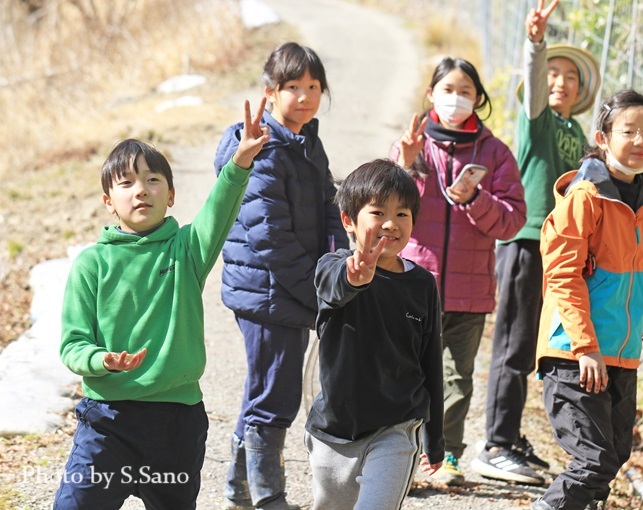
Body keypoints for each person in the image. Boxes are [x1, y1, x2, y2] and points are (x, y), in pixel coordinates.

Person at [54, 99, 270, 509]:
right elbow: (72, 345)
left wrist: (240, 162)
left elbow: (218, 211)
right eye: (126, 183)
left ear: (171, 195)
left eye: (153, 180)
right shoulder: (91, 264)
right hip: (108, 421)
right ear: (107, 201)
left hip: (177, 421)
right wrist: (103, 361)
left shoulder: (186, 250)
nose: (141, 190)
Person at [214, 42, 348, 510]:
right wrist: (317, 294)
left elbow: (332, 208)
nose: (306, 97)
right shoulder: (261, 149)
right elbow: (272, 240)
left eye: (314, 87)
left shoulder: (307, 139)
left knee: (263, 391)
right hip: (268, 292)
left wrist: (340, 264)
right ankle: (269, 498)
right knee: (275, 395)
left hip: (289, 289)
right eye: (294, 87)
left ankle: (239, 491)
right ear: (270, 92)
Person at [474, 0, 602, 485]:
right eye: (552, 74)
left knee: (538, 344)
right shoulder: (537, 121)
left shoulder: (575, 132)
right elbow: (533, 86)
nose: (560, 82)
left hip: (562, 248)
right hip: (528, 240)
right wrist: (535, 44)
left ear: (581, 89)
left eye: (570, 77)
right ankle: (496, 444)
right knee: (513, 341)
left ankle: (511, 437)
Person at [390, 57, 526, 486]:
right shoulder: (414, 144)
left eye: (465, 91)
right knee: (405, 371)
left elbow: (511, 220)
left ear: (478, 99)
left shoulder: (495, 153)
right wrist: (407, 164)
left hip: (471, 290)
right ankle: (400, 459)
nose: (456, 98)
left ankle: (445, 458)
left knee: (456, 378)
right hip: (414, 285)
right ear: (430, 94)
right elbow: (387, 213)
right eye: (447, 89)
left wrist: (473, 198)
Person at [532, 89, 643, 510]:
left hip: (621, 355)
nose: (641, 139)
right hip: (574, 352)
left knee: (611, 459)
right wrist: (585, 346)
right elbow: (562, 274)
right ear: (603, 138)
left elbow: (641, 277)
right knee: (593, 461)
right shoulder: (586, 196)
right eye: (629, 130)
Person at [306, 159, 444, 510]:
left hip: (396, 428)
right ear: (349, 221)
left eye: (402, 214)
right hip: (334, 431)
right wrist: (355, 277)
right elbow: (336, 287)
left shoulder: (422, 284)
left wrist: (435, 436)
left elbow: (431, 363)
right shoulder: (333, 267)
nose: (390, 224)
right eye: (378, 212)